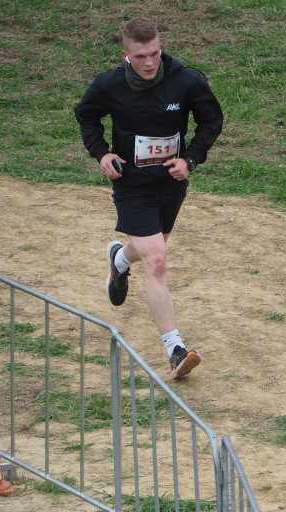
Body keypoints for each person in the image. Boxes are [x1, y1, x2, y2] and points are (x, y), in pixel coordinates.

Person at [74, 18, 223, 379]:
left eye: (155, 53)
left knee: (151, 248)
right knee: (157, 259)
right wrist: (101, 153)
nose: (150, 62)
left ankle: (120, 260)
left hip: (171, 183)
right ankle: (175, 349)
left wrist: (190, 159)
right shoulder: (108, 84)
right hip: (132, 185)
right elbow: (86, 116)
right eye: (140, 56)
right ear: (126, 55)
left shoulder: (186, 80)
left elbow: (211, 120)